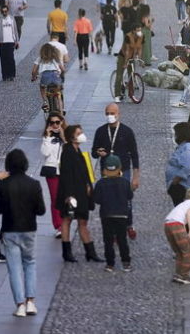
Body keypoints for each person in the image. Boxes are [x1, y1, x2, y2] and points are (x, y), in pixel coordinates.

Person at [0, 149, 46, 317]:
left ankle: (20, 304)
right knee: (30, 263)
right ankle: (31, 302)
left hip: (9, 229)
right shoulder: (34, 184)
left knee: (14, 268)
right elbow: (41, 210)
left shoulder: (3, 184)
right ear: (25, 164)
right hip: (29, 229)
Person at [91, 102, 140, 238]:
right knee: (108, 199)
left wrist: (136, 176)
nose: (110, 116)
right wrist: (98, 152)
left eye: (112, 113)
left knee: (125, 199)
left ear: (118, 114)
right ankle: (112, 230)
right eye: (107, 113)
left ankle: (128, 224)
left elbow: (134, 154)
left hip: (123, 169)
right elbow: (94, 152)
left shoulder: (127, 131)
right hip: (106, 171)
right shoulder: (101, 131)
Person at [57, 125, 103, 263]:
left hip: (81, 193)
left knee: (82, 221)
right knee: (67, 220)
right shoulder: (68, 152)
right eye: (79, 133)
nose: (82, 134)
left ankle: (90, 252)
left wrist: (88, 186)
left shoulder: (77, 150)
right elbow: (66, 175)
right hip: (72, 193)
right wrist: (69, 195)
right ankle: (67, 252)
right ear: (72, 136)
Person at [93, 155, 133, 273]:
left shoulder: (101, 183)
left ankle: (110, 264)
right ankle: (126, 263)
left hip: (106, 215)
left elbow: (97, 200)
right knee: (122, 239)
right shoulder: (125, 182)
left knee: (108, 240)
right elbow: (130, 196)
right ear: (119, 168)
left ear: (105, 169)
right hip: (122, 215)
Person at [40, 112, 66, 239]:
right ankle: (58, 225)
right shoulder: (47, 138)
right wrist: (47, 137)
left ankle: (65, 223)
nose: (55, 125)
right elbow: (45, 153)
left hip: (65, 171)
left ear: (61, 122)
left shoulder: (67, 135)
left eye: (57, 122)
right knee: (55, 199)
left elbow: (71, 152)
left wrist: (63, 137)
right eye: (52, 123)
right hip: (52, 171)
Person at [165, 122, 190, 206]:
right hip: (180, 185)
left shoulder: (188, 147)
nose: (175, 136)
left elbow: (187, 166)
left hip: (182, 185)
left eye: (176, 134)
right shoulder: (184, 146)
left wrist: (175, 180)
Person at [113, 23, 143, 102]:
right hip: (123, 56)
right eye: (137, 30)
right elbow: (127, 51)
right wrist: (125, 63)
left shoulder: (141, 36)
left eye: (140, 30)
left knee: (131, 76)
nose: (139, 32)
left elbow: (140, 48)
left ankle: (131, 95)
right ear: (133, 31)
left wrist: (139, 59)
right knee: (119, 75)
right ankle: (117, 95)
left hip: (132, 57)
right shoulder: (128, 36)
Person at [31, 43, 65, 112]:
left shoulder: (40, 57)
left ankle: (45, 101)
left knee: (42, 87)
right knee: (59, 92)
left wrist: (34, 77)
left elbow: (34, 71)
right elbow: (63, 69)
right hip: (56, 75)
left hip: (45, 76)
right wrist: (62, 75)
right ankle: (62, 110)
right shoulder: (56, 58)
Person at [0, 5, 20, 81]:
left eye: (6, 11)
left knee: (10, 58)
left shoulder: (12, 19)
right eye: (3, 12)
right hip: (2, 42)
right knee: (3, 59)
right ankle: (5, 75)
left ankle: (12, 74)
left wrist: (17, 41)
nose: (4, 13)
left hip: (10, 41)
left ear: (8, 11)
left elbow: (15, 30)